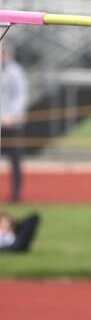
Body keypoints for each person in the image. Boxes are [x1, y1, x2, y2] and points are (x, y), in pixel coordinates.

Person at [1, 46, 28, 203]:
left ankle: (16, 194)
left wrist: (10, 117)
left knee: (15, 159)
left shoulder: (16, 71)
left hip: (12, 124)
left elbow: (21, 96)